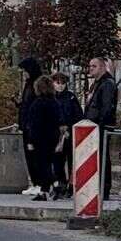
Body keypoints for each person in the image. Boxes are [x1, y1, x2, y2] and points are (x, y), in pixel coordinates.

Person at [84, 57, 120, 201]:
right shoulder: (97, 84)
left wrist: (99, 124)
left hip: (100, 127)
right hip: (93, 127)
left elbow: (106, 108)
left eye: (94, 66)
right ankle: (97, 187)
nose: (91, 69)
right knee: (96, 158)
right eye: (90, 66)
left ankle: (104, 188)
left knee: (102, 158)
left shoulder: (107, 84)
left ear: (103, 67)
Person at [20, 73, 61, 200]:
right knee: (48, 162)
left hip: (40, 138)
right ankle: (44, 191)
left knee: (41, 165)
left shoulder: (37, 103)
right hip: (53, 137)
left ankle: (55, 183)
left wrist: (31, 140)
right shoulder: (55, 102)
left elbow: (34, 124)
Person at [50, 71, 83, 199]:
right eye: (58, 83)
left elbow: (78, 115)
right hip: (55, 136)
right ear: (53, 83)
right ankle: (60, 185)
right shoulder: (50, 97)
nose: (60, 86)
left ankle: (71, 186)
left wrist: (71, 128)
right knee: (57, 162)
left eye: (63, 83)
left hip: (70, 135)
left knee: (71, 162)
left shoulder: (70, 97)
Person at [15, 57, 43, 197]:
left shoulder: (37, 84)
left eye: (25, 71)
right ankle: (35, 182)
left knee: (36, 155)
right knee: (29, 155)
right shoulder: (28, 84)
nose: (24, 73)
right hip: (26, 124)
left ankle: (40, 183)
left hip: (34, 125)